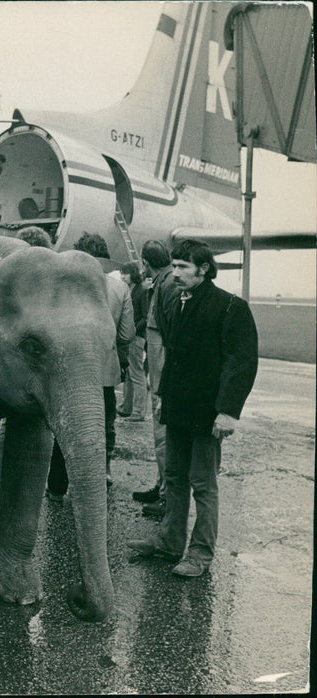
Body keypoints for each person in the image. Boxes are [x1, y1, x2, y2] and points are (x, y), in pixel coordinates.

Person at [127, 239, 258, 577]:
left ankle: (200, 554)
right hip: (178, 408)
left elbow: (241, 364)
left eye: (183, 267)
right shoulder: (180, 301)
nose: (176, 273)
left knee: (203, 483)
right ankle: (170, 544)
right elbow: (173, 357)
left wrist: (227, 411)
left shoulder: (231, 307)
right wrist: (161, 396)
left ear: (204, 269)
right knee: (173, 477)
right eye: (174, 266)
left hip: (207, 413)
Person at [45, 232, 133, 494]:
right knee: (104, 423)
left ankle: (57, 485)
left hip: (68, 370)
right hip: (104, 370)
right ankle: (101, 474)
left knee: (65, 424)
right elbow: (127, 335)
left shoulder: (62, 285)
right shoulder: (120, 288)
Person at [0, 225, 53, 505]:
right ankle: (25, 497)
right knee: (36, 436)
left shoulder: (8, 279)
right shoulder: (50, 282)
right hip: (41, 376)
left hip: (10, 371)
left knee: (9, 432)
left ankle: (0, 488)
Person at [131, 240, 178, 517]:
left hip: (164, 379)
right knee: (159, 437)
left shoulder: (167, 285)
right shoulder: (163, 283)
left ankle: (167, 498)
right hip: (159, 374)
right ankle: (161, 486)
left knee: (164, 439)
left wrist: (164, 384)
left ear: (145, 263)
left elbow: (169, 338)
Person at [117, 261, 150, 421]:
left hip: (136, 337)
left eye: (125, 273)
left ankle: (138, 411)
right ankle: (126, 407)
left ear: (133, 274)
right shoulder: (132, 289)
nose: (122, 276)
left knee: (136, 374)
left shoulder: (142, 290)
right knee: (130, 373)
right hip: (130, 336)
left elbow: (146, 316)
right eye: (121, 273)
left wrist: (133, 329)